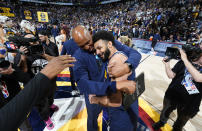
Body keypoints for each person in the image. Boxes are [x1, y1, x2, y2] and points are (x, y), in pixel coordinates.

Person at [72, 25, 141, 131]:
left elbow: (134, 54)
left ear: (90, 34)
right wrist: (113, 86)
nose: (87, 46)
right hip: (96, 93)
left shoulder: (103, 40)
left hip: (112, 92)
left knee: (112, 116)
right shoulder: (78, 57)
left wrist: (127, 66)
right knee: (92, 119)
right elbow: (82, 84)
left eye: (88, 42)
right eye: (82, 46)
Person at [0, 55, 76, 131]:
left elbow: (24, 76)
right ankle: (46, 118)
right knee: (41, 104)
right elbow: (26, 78)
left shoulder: (17, 58)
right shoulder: (19, 57)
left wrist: (14, 70)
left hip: (42, 81)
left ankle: (50, 105)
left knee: (50, 95)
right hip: (13, 100)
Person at [88, 30, 139, 131]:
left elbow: (115, 101)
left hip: (121, 119)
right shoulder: (114, 56)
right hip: (128, 111)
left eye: (99, 48)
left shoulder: (116, 62)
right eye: (95, 49)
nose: (97, 52)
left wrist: (94, 99)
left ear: (110, 44)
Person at [152, 48, 202, 131]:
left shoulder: (185, 61)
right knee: (165, 111)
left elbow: (198, 78)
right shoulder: (183, 62)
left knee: (181, 121)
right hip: (172, 94)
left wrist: (185, 59)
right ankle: (161, 122)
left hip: (190, 102)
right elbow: (171, 75)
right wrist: (167, 64)